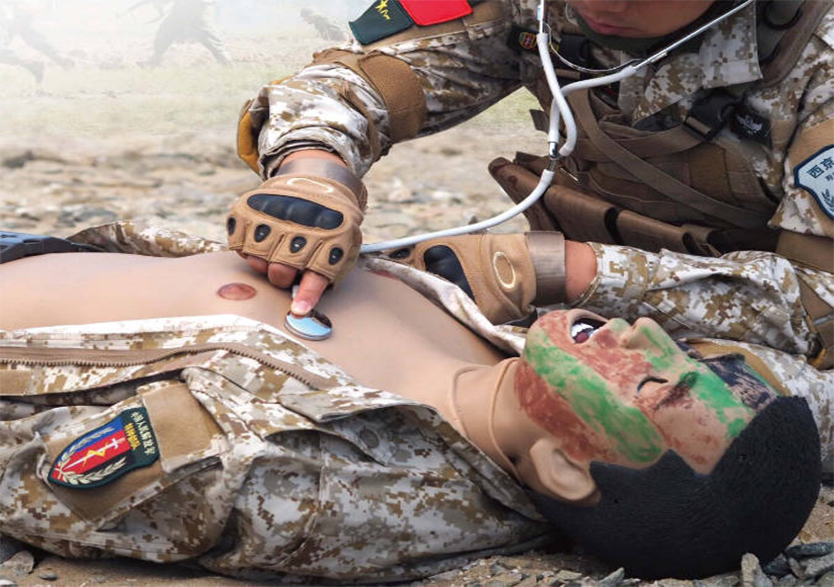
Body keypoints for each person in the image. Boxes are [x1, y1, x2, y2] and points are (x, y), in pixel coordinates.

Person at [0, 223, 824, 582]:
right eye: (681, 353)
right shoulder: (512, 362)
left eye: (651, 382)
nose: (644, 334)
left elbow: (32, 474)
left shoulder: (315, 484)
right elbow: (787, 295)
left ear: (567, 470)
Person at [230, 0, 833, 374]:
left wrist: (553, 270)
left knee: (673, 416)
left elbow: (823, 308)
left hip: (780, 353)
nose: (600, 3)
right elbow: (358, 82)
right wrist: (315, 171)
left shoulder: (820, 62)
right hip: (573, 310)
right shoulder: (541, 5)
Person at [140, 0, 231, 67]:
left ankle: (226, 60)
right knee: (166, 32)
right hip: (189, 7)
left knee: (206, 35)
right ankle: (155, 60)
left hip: (193, 6)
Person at [0, 0, 72, 83]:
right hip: (18, 9)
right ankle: (54, 60)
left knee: (28, 35)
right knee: (29, 35)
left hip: (16, 10)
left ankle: (35, 65)